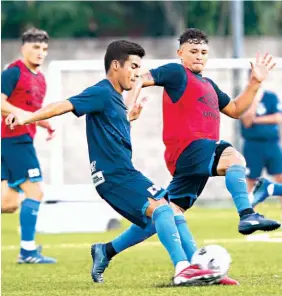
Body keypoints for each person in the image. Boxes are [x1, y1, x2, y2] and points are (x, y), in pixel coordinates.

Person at [5, 40, 222, 286]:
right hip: (112, 176)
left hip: (124, 172)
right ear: (116, 65)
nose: (138, 73)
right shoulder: (101, 91)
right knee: (162, 210)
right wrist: (26, 117)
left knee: (168, 213)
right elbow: (62, 105)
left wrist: (130, 117)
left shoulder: (117, 100)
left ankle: (115, 252)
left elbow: (113, 128)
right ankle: (184, 268)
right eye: (133, 66)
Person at [86, 28, 281, 284]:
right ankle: (247, 213)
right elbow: (140, 79)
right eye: (193, 51)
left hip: (195, 157)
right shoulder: (177, 72)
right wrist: (130, 105)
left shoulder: (209, 85)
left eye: (203, 52)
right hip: (190, 150)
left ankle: (108, 250)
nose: (199, 56)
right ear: (180, 53)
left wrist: (255, 83)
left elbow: (234, 109)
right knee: (234, 158)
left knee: (168, 214)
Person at [1, 27, 56, 264]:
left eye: (44, 48)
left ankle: (27, 251)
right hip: (14, 140)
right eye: (35, 47)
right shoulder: (13, 72)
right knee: (35, 191)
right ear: (23, 48)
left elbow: (30, 111)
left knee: (10, 203)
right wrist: (22, 114)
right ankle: (27, 251)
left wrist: (46, 124)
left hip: (19, 139)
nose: (40, 52)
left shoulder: (40, 79)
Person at [240, 87, 282, 208]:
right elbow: (247, 121)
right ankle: (248, 213)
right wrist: (255, 100)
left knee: (280, 176)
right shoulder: (245, 98)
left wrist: (256, 120)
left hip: (272, 143)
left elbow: (278, 117)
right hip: (253, 145)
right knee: (251, 180)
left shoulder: (271, 96)